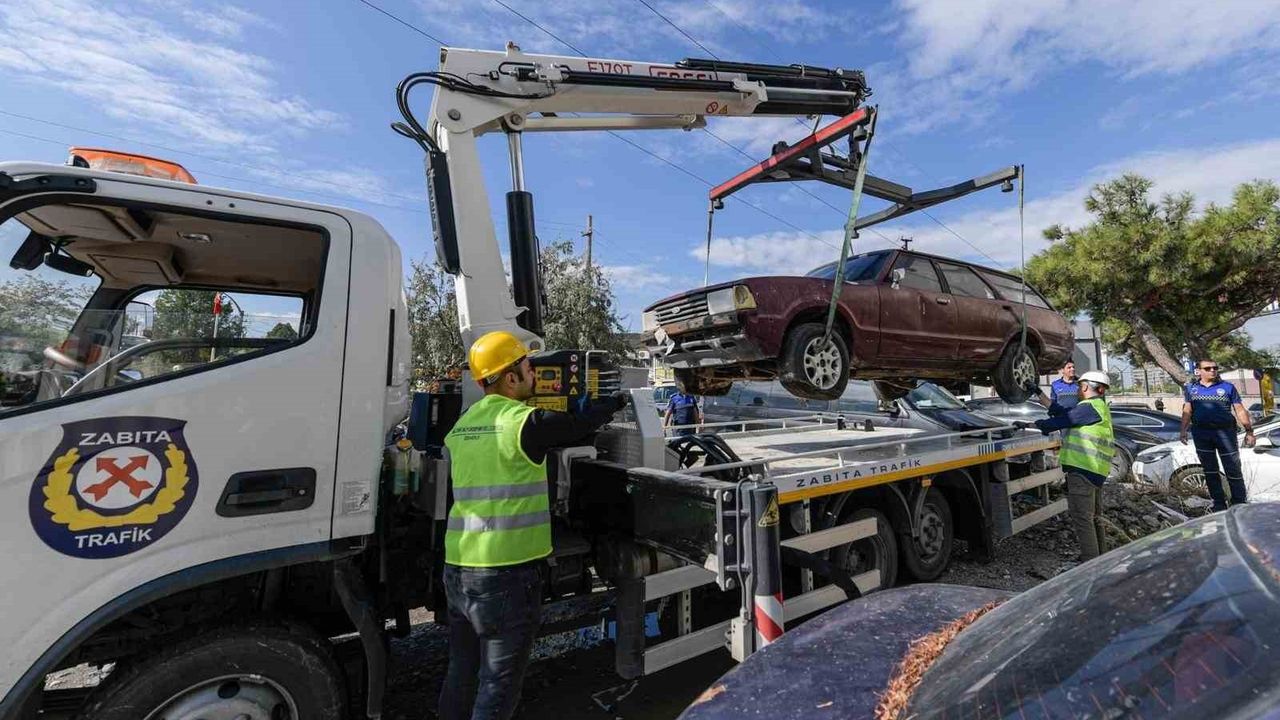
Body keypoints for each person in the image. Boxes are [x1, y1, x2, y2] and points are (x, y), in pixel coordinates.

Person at [439, 331, 628, 720]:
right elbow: (576, 426)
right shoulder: (522, 422)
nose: (533, 375)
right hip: (505, 576)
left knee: (462, 671)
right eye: (528, 367)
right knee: (498, 684)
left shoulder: (461, 426)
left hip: (458, 571)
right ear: (509, 377)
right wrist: (615, 403)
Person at [1021, 370, 1115, 560]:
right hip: (1094, 471)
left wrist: (1032, 424)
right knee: (1094, 518)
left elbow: (1060, 421)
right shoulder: (1096, 407)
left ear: (1086, 386)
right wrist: (1038, 392)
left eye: (1080, 386)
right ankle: (1101, 559)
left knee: (1082, 519)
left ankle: (1090, 564)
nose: (1078, 390)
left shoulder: (1089, 407)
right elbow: (1060, 411)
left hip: (1083, 471)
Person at [1179, 359, 1254, 512]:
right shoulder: (1191, 389)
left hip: (1225, 433)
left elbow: (1239, 410)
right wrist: (1183, 430)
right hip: (1202, 434)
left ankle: (1239, 503)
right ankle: (1219, 504)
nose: (1212, 370)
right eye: (1208, 368)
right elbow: (1187, 410)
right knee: (1210, 470)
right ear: (1198, 371)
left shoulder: (1227, 387)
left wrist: (1249, 431)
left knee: (1233, 469)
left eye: (1215, 368)